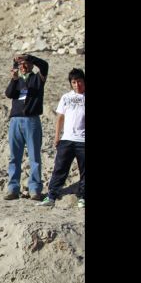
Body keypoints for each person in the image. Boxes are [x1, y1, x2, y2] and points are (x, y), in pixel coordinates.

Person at [4, 53, 49, 201]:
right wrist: (14, 79)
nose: (23, 67)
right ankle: (13, 188)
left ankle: (35, 189)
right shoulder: (17, 80)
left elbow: (44, 66)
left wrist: (30, 57)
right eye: (20, 64)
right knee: (14, 157)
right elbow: (9, 94)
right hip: (16, 121)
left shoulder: (37, 78)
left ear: (30, 65)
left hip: (31, 120)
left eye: (26, 64)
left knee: (34, 156)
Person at [37, 68, 85, 208]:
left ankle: (83, 197)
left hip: (83, 141)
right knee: (60, 168)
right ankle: (51, 196)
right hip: (67, 139)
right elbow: (60, 118)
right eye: (74, 82)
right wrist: (57, 136)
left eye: (79, 82)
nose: (77, 85)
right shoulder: (66, 97)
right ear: (71, 83)